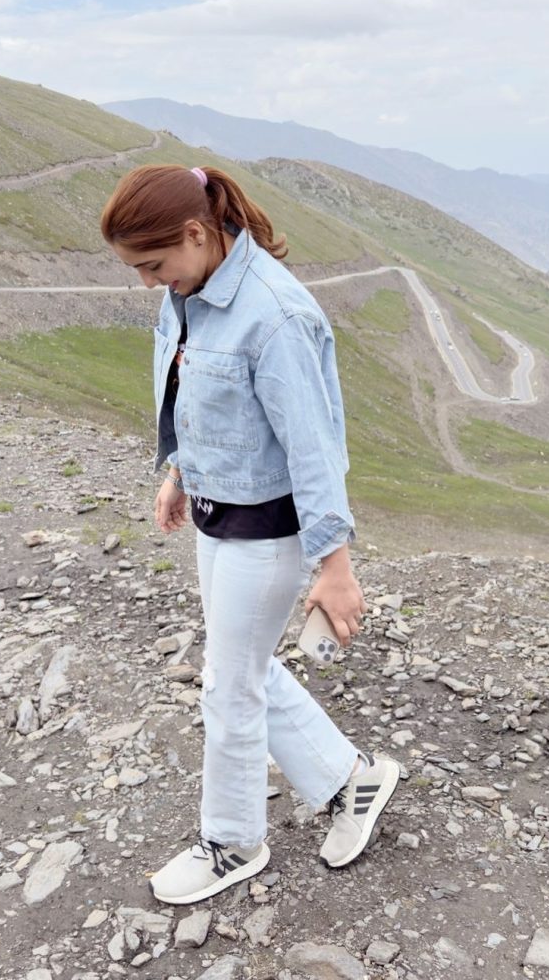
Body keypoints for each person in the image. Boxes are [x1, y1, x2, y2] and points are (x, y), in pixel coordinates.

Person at [101, 164, 400, 905]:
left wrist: (335, 566)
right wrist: (179, 470)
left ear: (197, 233)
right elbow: (192, 390)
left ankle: (233, 843)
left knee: (229, 688)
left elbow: (314, 448)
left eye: (152, 263)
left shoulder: (275, 316)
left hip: (267, 534)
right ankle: (351, 778)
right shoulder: (190, 288)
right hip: (215, 511)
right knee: (246, 667)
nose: (147, 283)